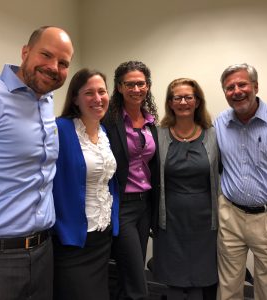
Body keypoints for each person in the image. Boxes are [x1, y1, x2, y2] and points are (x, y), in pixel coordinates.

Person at [0, 26, 73, 300]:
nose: (53, 67)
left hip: (43, 252)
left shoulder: (46, 101)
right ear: (25, 52)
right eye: (46, 55)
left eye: (63, 63)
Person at [214, 63, 267, 300]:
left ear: (255, 86)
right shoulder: (219, 123)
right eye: (229, 87)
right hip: (230, 215)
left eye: (242, 84)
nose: (236, 91)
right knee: (228, 285)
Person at [52, 68, 119, 300]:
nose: (98, 98)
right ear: (75, 98)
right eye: (89, 93)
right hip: (72, 240)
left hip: (102, 235)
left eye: (102, 91)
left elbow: (108, 182)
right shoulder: (59, 129)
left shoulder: (105, 133)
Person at [152, 78, 219, 300]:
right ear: (170, 103)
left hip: (205, 220)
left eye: (188, 97)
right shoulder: (158, 134)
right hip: (170, 218)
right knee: (174, 277)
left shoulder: (213, 134)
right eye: (177, 98)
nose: (183, 102)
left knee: (204, 275)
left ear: (197, 101)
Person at [102, 60, 160, 300]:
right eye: (130, 84)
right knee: (136, 274)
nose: (137, 89)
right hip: (122, 205)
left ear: (147, 86)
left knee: (128, 272)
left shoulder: (151, 122)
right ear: (119, 87)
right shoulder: (108, 121)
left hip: (145, 204)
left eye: (141, 83)